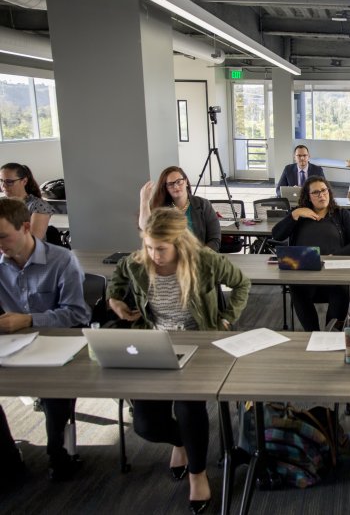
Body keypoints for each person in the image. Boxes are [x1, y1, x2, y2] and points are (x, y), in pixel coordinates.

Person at [108, 207, 251, 514]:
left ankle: (198, 475)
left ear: (179, 243)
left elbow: (242, 285)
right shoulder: (137, 263)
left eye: (161, 248)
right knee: (145, 425)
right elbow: (117, 277)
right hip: (154, 342)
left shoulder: (205, 261)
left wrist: (226, 319)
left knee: (189, 408)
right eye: (148, 247)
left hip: (199, 342)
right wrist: (115, 301)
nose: (153, 254)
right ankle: (181, 442)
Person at [0, 198, 90, 481]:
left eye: (3, 236)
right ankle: (7, 458)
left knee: (54, 390)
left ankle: (58, 452)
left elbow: (76, 314)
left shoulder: (61, 260)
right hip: (12, 343)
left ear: (26, 227)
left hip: (56, 343)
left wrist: (29, 320)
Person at [272, 176, 350, 331]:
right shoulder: (300, 215)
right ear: (308, 196)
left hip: (333, 273)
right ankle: (312, 334)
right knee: (296, 289)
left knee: (341, 292)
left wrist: (334, 256)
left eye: (324, 190)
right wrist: (296, 214)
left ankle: (330, 334)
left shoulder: (341, 214)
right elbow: (277, 234)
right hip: (305, 273)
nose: (321, 195)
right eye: (316, 192)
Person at [138, 166, 221, 252]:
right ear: (166, 188)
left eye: (179, 182)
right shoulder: (162, 209)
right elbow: (146, 227)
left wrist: (201, 256)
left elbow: (215, 239)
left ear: (186, 182)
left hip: (200, 258)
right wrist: (144, 200)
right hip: (171, 260)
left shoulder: (203, 204)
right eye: (170, 184)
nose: (176, 186)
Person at [0, 163, 56, 240]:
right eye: (1, 181)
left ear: (24, 181)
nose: (3, 185)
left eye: (9, 181)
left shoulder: (38, 205)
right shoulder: (2, 203)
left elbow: (34, 240)